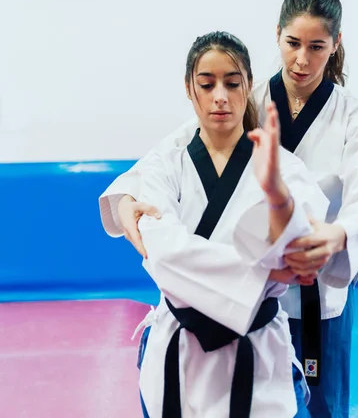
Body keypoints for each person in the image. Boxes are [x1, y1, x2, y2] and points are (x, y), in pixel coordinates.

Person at [100, 0, 358, 418]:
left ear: (336, 45)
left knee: (320, 407)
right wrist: (127, 198)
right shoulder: (243, 96)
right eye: (293, 43)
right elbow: (172, 152)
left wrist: (340, 233)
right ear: (277, 35)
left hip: (311, 282)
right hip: (240, 294)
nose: (302, 59)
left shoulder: (356, 118)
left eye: (317, 47)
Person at [101, 31, 330, 418]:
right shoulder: (164, 165)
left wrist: (278, 209)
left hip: (258, 362)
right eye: (207, 84)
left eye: (232, 83)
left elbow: (298, 243)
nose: (220, 96)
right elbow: (162, 251)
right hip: (179, 361)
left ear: (249, 85)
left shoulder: (286, 169)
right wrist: (263, 272)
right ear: (190, 90)